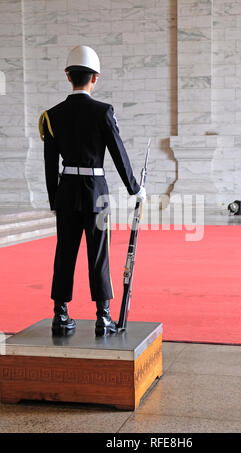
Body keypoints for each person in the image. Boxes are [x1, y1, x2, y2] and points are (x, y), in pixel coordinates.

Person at [38, 45, 146, 336]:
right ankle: (103, 316)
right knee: (99, 254)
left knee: (65, 253)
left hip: (67, 192)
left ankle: (60, 315)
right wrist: (135, 188)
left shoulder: (52, 115)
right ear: (94, 78)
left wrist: (55, 199)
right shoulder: (103, 112)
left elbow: (50, 165)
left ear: (67, 76)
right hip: (96, 193)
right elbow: (118, 153)